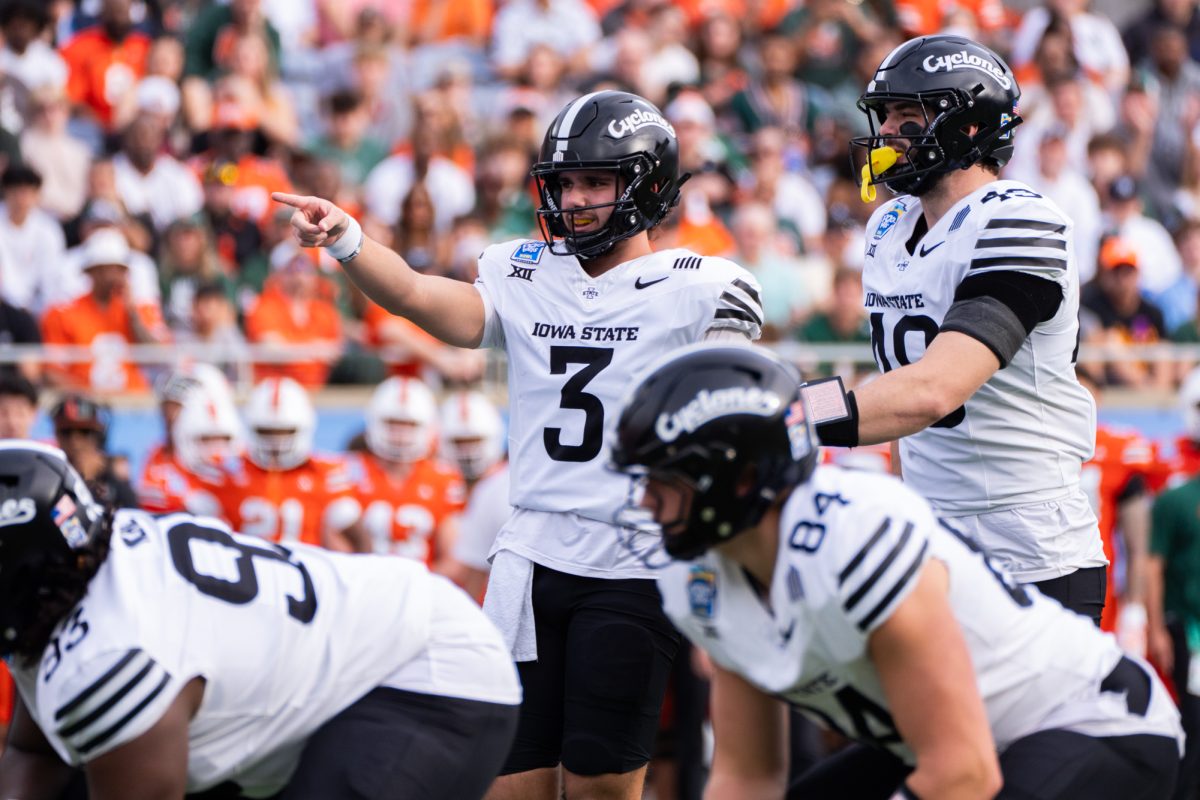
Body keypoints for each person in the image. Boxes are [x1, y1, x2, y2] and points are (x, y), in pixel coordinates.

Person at [274, 89, 765, 799]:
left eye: (596, 180)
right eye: (565, 182)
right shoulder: (525, 270)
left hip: (631, 555)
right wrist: (350, 239)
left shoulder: (700, 287)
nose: (576, 198)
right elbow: (417, 295)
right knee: (512, 786)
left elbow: (732, 413)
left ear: (647, 184)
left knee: (601, 785)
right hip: (530, 554)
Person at [611, 344, 1184, 800]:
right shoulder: (703, 580)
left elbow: (961, 775)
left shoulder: (852, 535)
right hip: (965, 742)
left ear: (738, 480)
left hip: (1095, 725)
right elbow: (747, 776)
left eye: (666, 482)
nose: (646, 504)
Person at [0, 440, 521, 799]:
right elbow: (33, 752)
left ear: (25, 569)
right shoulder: (83, 581)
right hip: (337, 674)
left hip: (422, 668)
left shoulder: (108, 652)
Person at [812, 34, 1106, 623]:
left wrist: (792, 414)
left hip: (1029, 553)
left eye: (908, 117)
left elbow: (933, 390)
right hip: (936, 543)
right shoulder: (890, 225)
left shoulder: (1020, 219)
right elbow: (898, 388)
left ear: (970, 128)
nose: (888, 133)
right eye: (886, 116)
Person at [202, 376, 368, 553]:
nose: (276, 442)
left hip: (306, 573)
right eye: (266, 432)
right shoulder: (224, 472)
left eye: (285, 432)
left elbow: (359, 542)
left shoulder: (327, 474)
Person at [348, 376, 466, 569]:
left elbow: (452, 559)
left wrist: (421, 589)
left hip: (422, 588)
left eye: (409, 425)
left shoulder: (444, 479)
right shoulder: (349, 473)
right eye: (392, 424)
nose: (400, 435)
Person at [50, 392, 137, 509]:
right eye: (67, 432)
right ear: (56, 434)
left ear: (98, 436)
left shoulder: (116, 486)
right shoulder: (48, 481)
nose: (75, 440)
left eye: (84, 432)